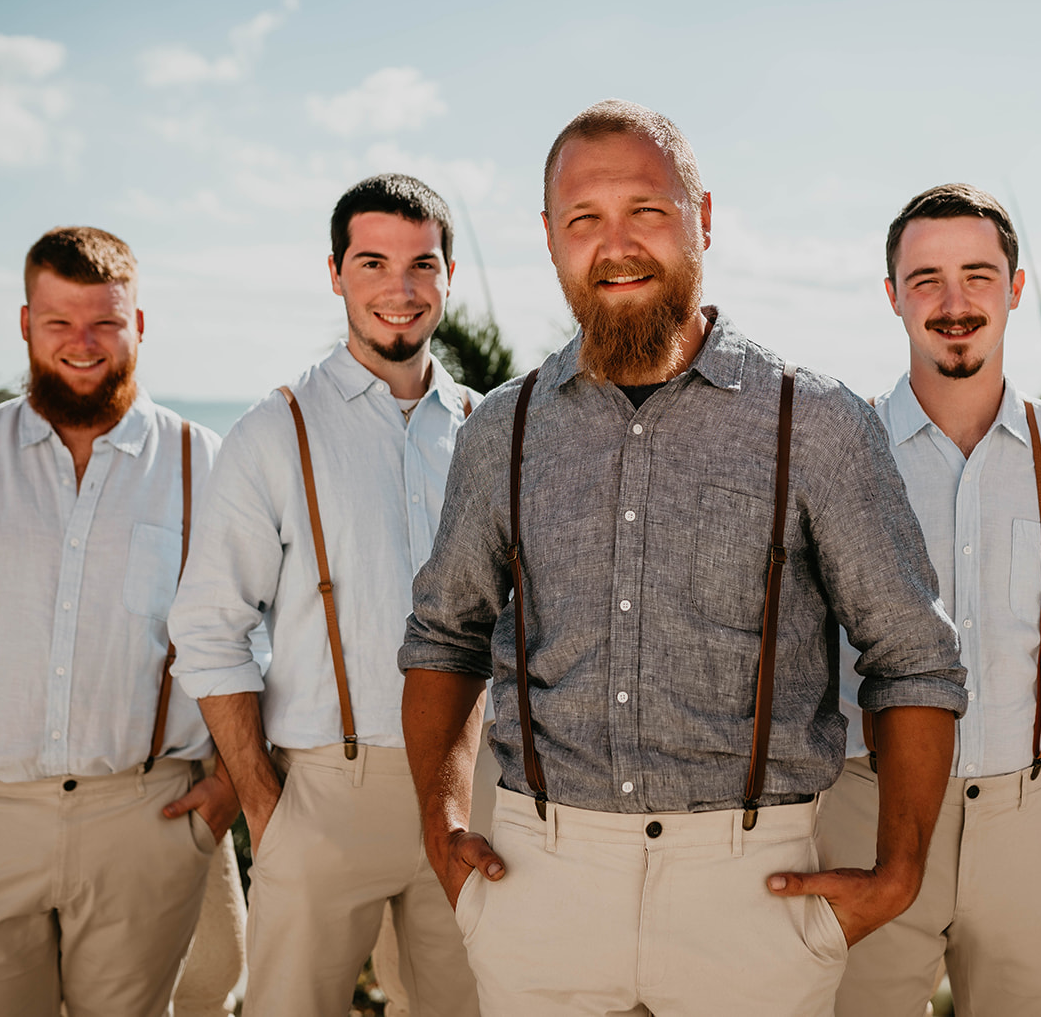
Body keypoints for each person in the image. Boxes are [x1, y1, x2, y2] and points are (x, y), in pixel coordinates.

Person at [399, 99, 965, 1016]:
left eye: (647, 212)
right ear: (550, 240)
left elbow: (913, 655)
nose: (615, 245)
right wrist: (443, 826)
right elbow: (445, 637)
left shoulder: (814, 423)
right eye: (584, 220)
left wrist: (900, 872)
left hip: (754, 895)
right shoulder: (503, 428)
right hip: (539, 887)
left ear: (703, 218)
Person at [816, 183, 1041, 1015]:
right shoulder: (834, 447)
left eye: (978, 274)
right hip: (864, 808)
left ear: (1014, 286)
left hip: (1029, 822)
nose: (954, 302)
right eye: (926, 278)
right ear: (892, 294)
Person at [0, 226, 237, 1015]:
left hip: (145, 818)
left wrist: (229, 789)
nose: (83, 344)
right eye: (58, 322)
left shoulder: (203, 463)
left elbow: (250, 634)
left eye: (105, 322)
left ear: (139, 325)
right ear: (24, 324)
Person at [168, 174, 484, 1016]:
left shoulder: (489, 430)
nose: (400, 288)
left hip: (475, 790)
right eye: (373, 261)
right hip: (323, 790)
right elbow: (207, 626)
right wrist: (266, 804)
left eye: (423, 263)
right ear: (336, 273)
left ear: (448, 275)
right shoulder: (276, 429)